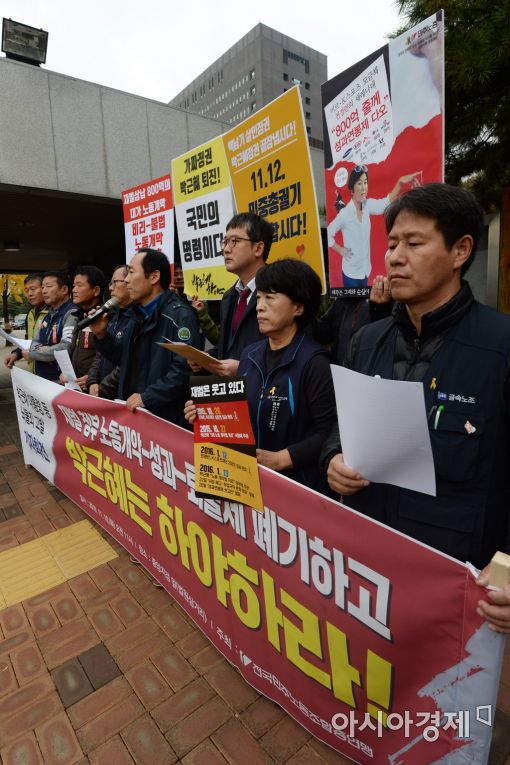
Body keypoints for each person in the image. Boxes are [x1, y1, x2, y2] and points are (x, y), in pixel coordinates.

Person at [321, 182, 510, 632]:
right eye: (391, 244)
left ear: (461, 250)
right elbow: (340, 426)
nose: (394, 257)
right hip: (368, 561)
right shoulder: (367, 340)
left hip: (456, 578)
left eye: (414, 243)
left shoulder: (501, 345)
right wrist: (333, 458)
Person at [186, 258, 336, 492]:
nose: (259, 306)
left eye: (270, 297)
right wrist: (205, 412)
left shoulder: (315, 363)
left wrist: (281, 459)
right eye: (258, 298)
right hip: (247, 484)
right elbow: (240, 410)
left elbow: (328, 433)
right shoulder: (250, 355)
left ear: (298, 307)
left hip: (297, 489)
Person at [89, 248, 201, 425]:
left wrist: (148, 397)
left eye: (131, 272)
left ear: (154, 277)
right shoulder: (136, 314)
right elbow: (122, 357)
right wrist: (102, 334)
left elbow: (183, 370)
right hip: (134, 416)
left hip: (164, 420)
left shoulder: (180, 316)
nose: (126, 280)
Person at [191, 212, 274, 376]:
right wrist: (207, 358)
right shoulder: (229, 296)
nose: (226, 249)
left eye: (235, 241)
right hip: (232, 396)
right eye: (225, 242)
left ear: (258, 248)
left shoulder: (277, 291)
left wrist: (244, 367)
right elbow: (229, 349)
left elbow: (285, 352)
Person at [328, 166, 421, 288]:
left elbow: (385, 204)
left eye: (365, 182)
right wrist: (340, 250)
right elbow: (329, 232)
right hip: (351, 274)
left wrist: (400, 183)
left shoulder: (367, 205)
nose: (363, 188)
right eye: (359, 183)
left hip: (366, 271)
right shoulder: (345, 214)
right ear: (351, 189)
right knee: (353, 306)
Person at [88, 265, 132, 399]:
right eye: (110, 283)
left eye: (115, 282)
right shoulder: (111, 316)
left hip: (122, 396)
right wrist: (92, 380)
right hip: (102, 394)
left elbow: (127, 362)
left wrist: (103, 387)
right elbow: (100, 355)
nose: (111, 287)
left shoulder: (136, 319)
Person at [23, 272, 76, 382]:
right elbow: (35, 341)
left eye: (49, 286)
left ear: (64, 290)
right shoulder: (48, 315)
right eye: (42, 287)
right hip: (43, 379)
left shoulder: (72, 313)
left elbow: (64, 348)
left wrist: (33, 353)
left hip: (61, 382)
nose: (44, 291)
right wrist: (42, 350)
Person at [61, 266, 107, 391]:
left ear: (96, 290)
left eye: (79, 285)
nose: (74, 290)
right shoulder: (77, 316)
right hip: (75, 387)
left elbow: (106, 356)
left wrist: (92, 379)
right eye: (74, 285)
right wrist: (65, 372)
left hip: (96, 390)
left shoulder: (106, 317)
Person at [4, 274, 48, 373]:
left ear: (44, 289)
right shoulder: (30, 315)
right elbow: (29, 342)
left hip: (52, 374)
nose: (29, 294)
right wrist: (16, 354)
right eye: (27, 290)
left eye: (33, 289)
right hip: (34, 372)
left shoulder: (54, 313)